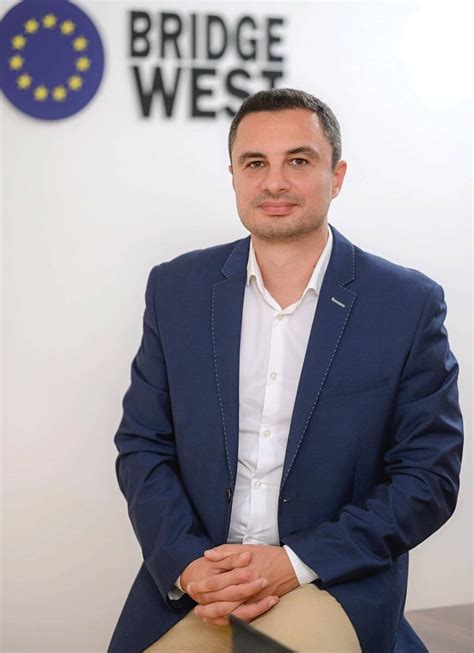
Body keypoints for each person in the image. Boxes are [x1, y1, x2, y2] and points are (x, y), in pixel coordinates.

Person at [108, 88, 463, 653]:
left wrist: (293, 563)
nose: (274, 183)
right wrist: (188, 564)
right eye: (255, 164)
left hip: (331, 577)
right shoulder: (175, 290)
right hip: (199, 576)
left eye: (298, 161)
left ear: (336, 176)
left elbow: (428, 479)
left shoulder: (406, 304)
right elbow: (143, 445)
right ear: (233, 176)